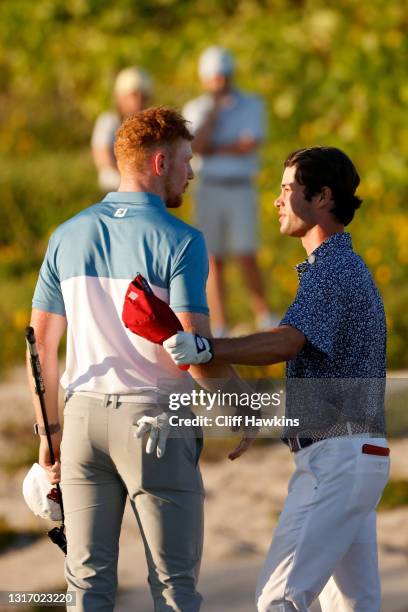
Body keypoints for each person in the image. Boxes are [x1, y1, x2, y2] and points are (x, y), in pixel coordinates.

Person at [27, 107, 240, 612]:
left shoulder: (66, 235)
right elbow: (193, 345)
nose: (191, 173)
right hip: (156, 420)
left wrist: (48, 437)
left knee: (87, 586)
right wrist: (238, 408)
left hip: (80, 421)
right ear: (161, 162)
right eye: (187, 162)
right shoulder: (182, 240)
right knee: (173, 588)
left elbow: (39, 347)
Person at [163, 146, 390, 612]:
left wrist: (208, 347)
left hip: (337, 460)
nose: (276, 200)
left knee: (278, 600)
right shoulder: (344, 268)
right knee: (354, 606)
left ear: (322, 197)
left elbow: (287, 341)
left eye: (287, 188)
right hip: (360, 457)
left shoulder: (333, 268)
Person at [183, 46, 277, 336]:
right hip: (208, 188)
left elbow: (247, 145)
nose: (220, 82)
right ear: (205, 79)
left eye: (223, 76)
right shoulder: (196, 108)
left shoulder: (252, 104)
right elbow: (196, 146)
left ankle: (265, 317)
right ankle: (220, 324)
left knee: (246, 253)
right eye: (214, 77)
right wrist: (213, 115)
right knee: (213, 258)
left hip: (240, 188)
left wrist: (213, 147)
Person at [91, 66, 152, 191]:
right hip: (113, 189)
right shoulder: (108, 122)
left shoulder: (151, 126)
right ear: (121, 96)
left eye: (143, 95)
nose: (139, 100)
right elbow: (103, 157)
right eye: (134, 95)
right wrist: (132, 183)